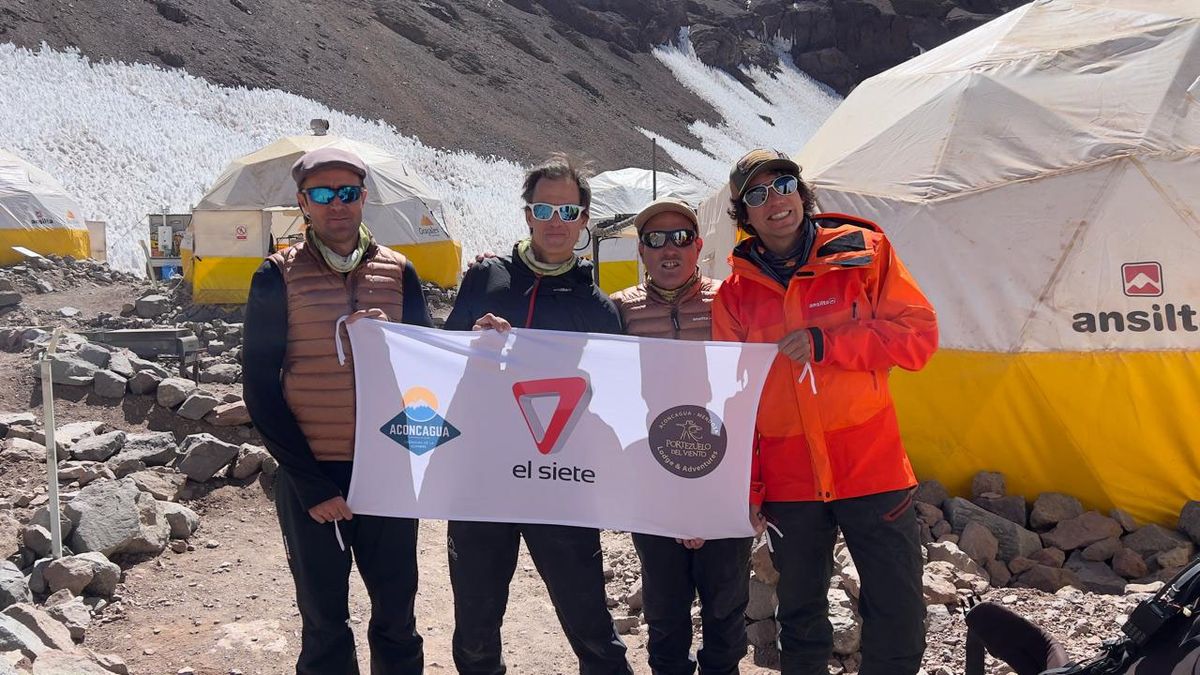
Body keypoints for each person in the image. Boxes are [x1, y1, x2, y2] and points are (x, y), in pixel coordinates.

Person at [712, 149, 939, 674]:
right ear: (743, 215)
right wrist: (748, 489)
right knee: (800, 615)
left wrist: (829, 342)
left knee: (897, 609)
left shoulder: (864, 253)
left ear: (802, 191)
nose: (775, 201)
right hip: (791, 482)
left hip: (872, 468)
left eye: (783, 184)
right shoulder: (736, 295)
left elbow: (918, 338)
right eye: (757, 194)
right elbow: (733, 400)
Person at [243, 147, 431, 674]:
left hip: (389, 471)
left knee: (397, 612)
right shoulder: (276, 276)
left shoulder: (400, 273)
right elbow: (260, 385)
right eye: (322, 195)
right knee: (323, 616)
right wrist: (311, 483)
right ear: (304, 203)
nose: (337, 205)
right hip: (314, 471)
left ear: (364, 198)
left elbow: (428, 369)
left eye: (347, 193)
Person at [443, 154, 633, 675]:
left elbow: (615, 394)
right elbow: (441, 363)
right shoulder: (485, 277)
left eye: (567, 209)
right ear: (527, 214)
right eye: (544, 208)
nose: (555, 220)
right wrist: (469, 341)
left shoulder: (599, 307)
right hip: (484, 480)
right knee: (477, 626)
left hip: (560, 480)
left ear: (584, 220)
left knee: (589, 619)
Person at [610, 197, 752, 674]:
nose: (668, 250)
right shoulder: (620, 310)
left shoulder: (729, 299)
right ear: (642, 252)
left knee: (726, 610)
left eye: (679, 239)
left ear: (697, 246)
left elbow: (750, 391)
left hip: (724, 481)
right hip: (653, 486)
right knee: (665, 613)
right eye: (655, 240)